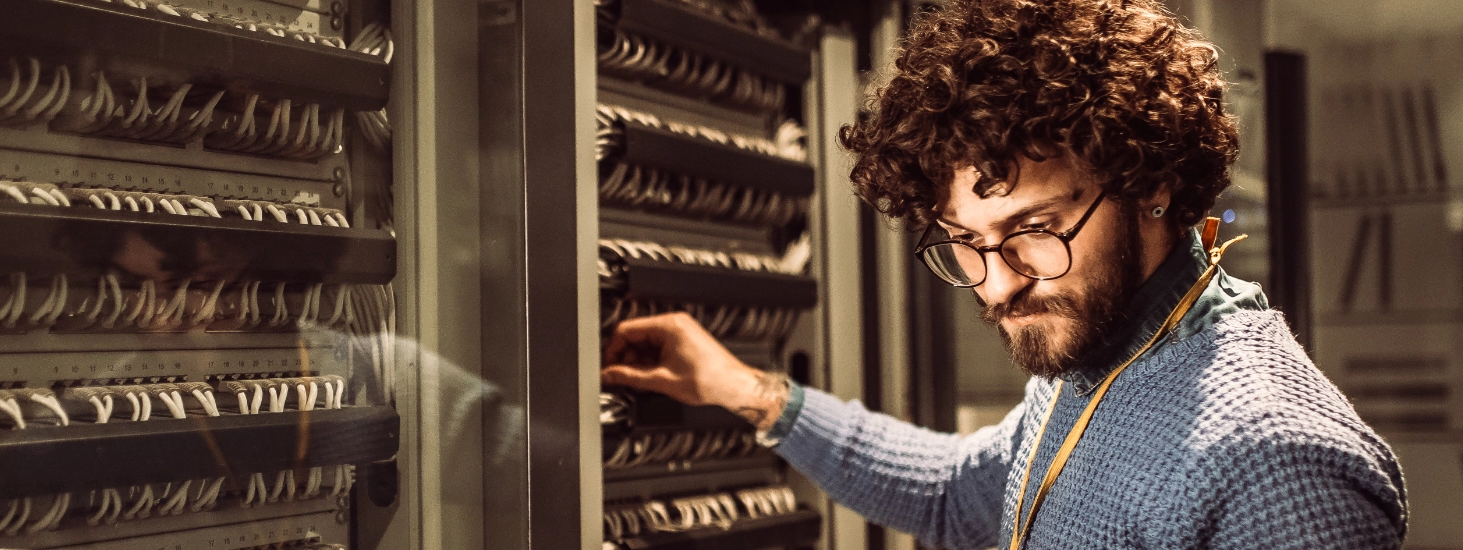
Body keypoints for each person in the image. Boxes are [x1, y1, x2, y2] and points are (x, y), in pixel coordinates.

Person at [597, 0, 1408, 548]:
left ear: (1152, 181)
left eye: (1034, 230)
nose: (998, 283)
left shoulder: (1278, 463)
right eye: (965, 241)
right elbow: (963, 493)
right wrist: (751, 393)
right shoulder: (1097, 361)